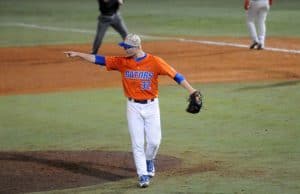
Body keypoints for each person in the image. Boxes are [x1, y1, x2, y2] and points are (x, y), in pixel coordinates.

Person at [64, 33, 201, 188]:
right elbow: (99, 59)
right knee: (137, 143)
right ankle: (142, 175)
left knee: (154, 142)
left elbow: (176, 75)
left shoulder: (155, 62)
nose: (125, 49)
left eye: (128, 47)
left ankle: (149, 160)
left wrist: (191, 90)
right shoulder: (122, 62)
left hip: (151, 106)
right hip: (133, 107)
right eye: (124, 46)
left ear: (137, 47)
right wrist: (78, 54)